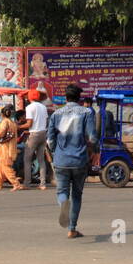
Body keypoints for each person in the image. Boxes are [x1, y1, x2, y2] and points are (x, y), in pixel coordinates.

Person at [50, 83, 97, 238]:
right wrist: (93, 150)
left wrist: (55, 153)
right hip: (79, 160)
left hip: (61, 160)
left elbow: (50, 141)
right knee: (77, 195)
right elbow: (92, 137)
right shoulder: (86, 112)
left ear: (66, 97)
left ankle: (63, 203)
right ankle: (72, 228)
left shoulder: (56, 114)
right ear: (79, 98)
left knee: (62, 192)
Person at [21, 88, 50, 190]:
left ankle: (27, 183)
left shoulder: (30, 107)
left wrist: (18, 126)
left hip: (34, 135)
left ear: (29, 97)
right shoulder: (43, 107)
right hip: (43, 133)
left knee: (27, 159)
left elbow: (29, 124)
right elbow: (45, 122)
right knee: (41, 160)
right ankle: (42, 184)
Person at [0, 104, 25, 191]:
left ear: (3, 114)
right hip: (9, 148)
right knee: (0, 167)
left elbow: (1, 134)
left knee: (6, 167)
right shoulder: (12, 123)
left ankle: (16, 184)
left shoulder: (4, 122)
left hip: (5, 149)